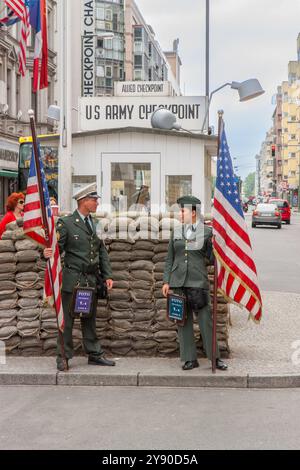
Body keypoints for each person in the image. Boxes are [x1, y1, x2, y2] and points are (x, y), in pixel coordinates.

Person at [44, 183, 115, 371]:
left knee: (89, 319)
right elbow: (56, 250)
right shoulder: (66, 223)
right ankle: (63, 357)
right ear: (83, 201)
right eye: (94, 200)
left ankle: (94, 354)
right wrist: (47, 252)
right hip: (72, 279)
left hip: (90, 279)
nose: (97, 203)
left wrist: (107, 275)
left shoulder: (96, 224)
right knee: (67, 321)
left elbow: (102, 252)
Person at [162, 195, 228, 371]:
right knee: (182, 321)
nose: (179, 214)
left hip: (198, 281)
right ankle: (189, 358)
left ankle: (214, 358)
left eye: (182, 211)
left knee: (206, 321)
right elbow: (170, 259)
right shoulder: (176, 232)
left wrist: (217, 245)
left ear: (193, 213)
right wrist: (166, 281)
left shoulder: (207, 232)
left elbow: (212, 258)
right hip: (177, 282)